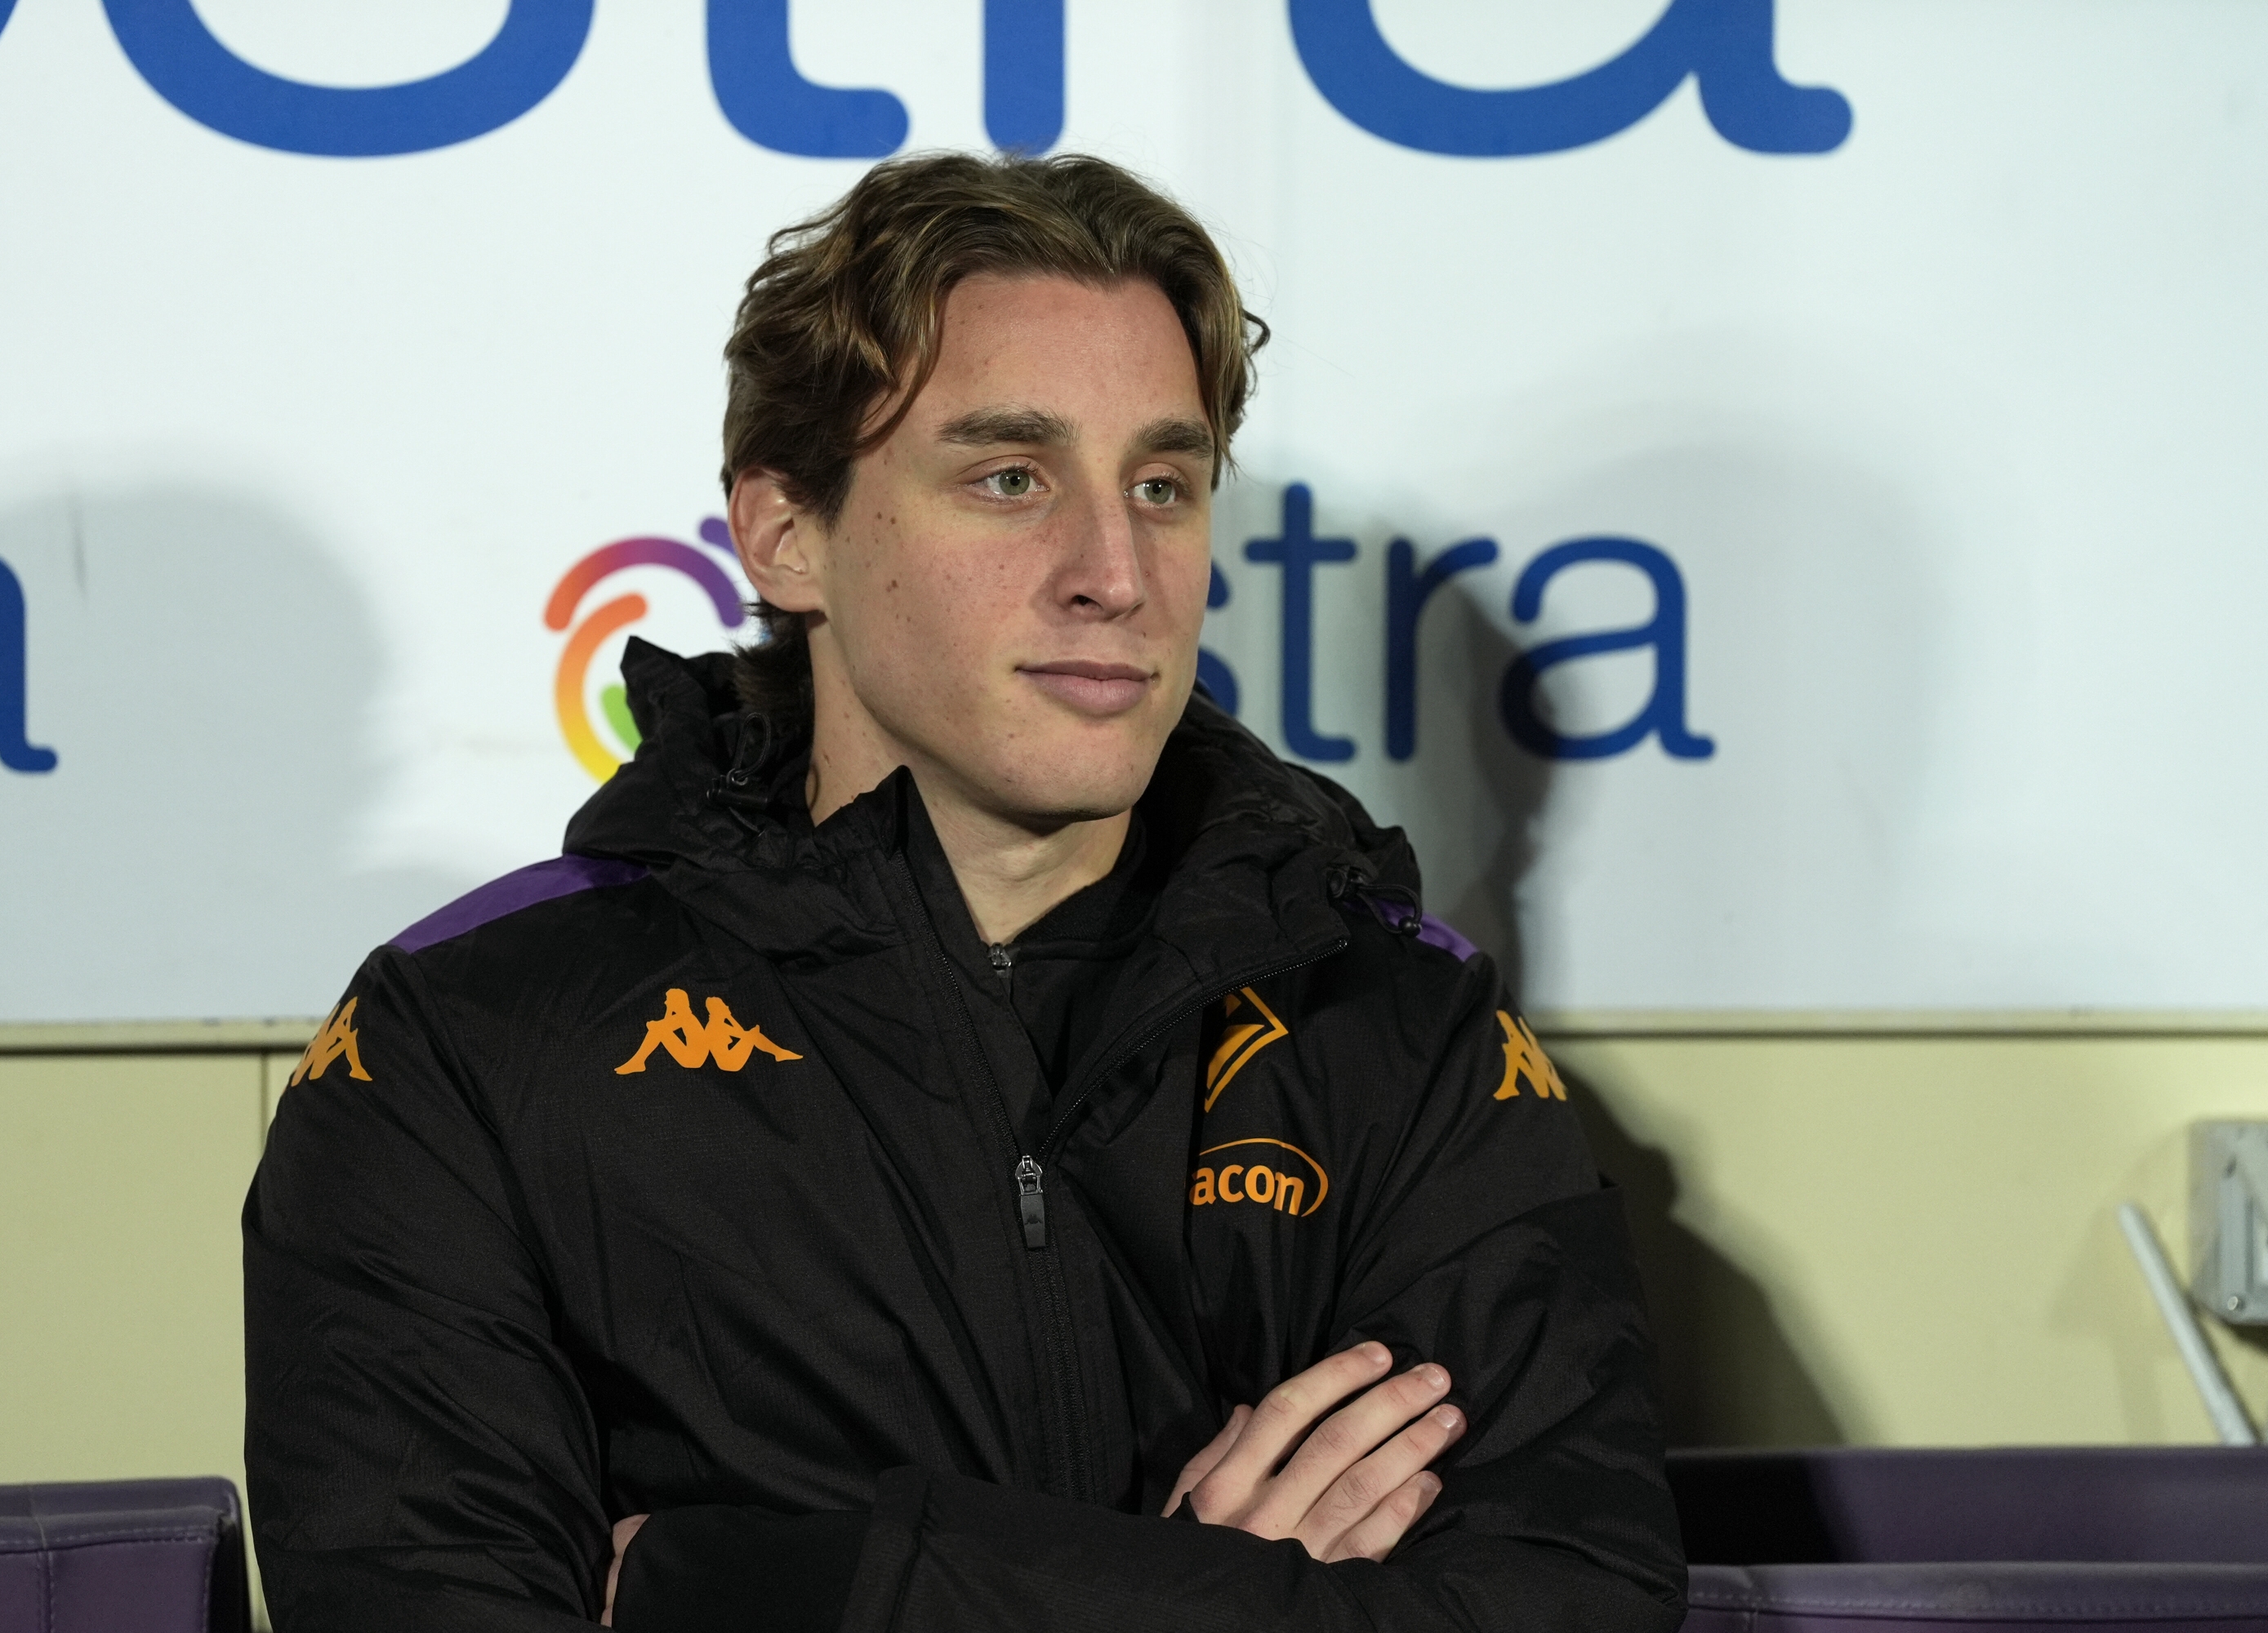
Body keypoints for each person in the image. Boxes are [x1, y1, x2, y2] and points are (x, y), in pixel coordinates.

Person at [243, 151, 1686, 1633]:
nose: (1115, 572)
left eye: (1163, 485)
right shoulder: (468, 1043)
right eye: (1010, 479)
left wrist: (773, 1590)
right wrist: (1223, 1597)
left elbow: (1574, 1606)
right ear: (786, 532)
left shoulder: (1398, 1023)